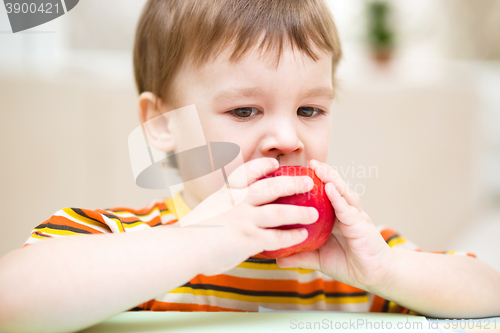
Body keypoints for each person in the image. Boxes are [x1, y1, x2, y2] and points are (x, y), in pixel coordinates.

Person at [1, 0, 500, 332]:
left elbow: (488, 293)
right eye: (244, 110)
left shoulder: (350, 262)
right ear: (162, 124)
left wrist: (387, 270)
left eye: (310, 110)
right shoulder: (119, 241)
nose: (287, 138)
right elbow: (12, 299)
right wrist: (200, 240)